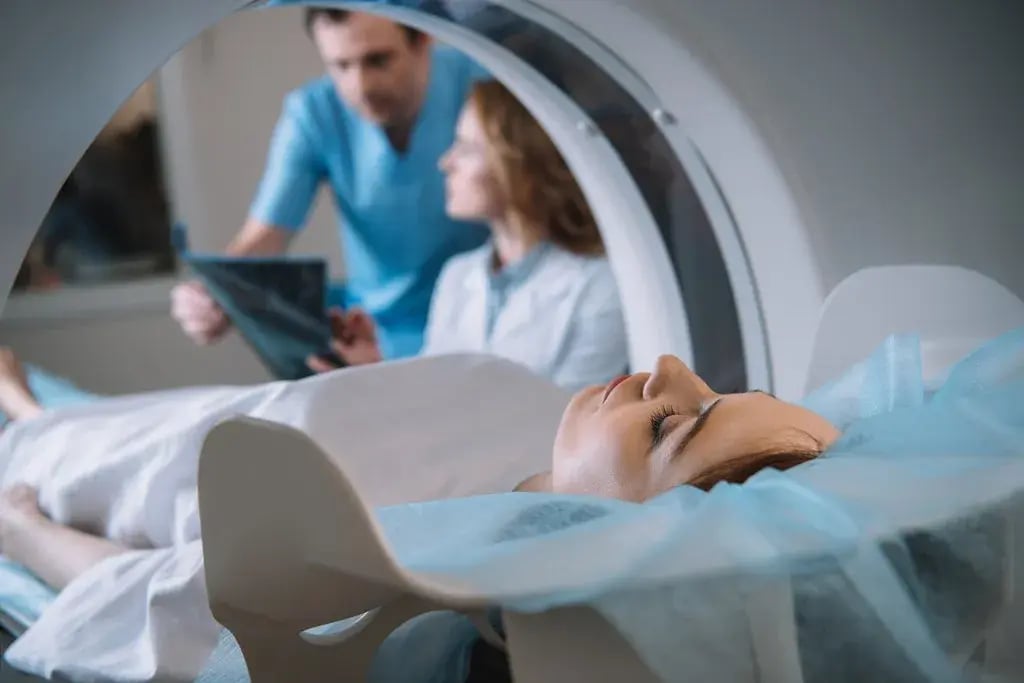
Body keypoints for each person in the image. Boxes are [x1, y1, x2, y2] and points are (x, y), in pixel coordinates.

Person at [171, 9, 489, 360]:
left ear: (424, 38)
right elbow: (264, 237)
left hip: (477, 319)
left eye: (378, 60)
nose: (360, 87)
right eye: (340, 65)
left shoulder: (485, 88)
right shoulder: (314, 113)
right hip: (375, 333)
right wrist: (217, 291)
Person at [307, 79, 630, 390]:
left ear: (521, 161)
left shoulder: (601, 285)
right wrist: (376, 368)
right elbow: (435, 399)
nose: (446, 162)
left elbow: (569, 427)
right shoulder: (457, 275)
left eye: (466, 147)